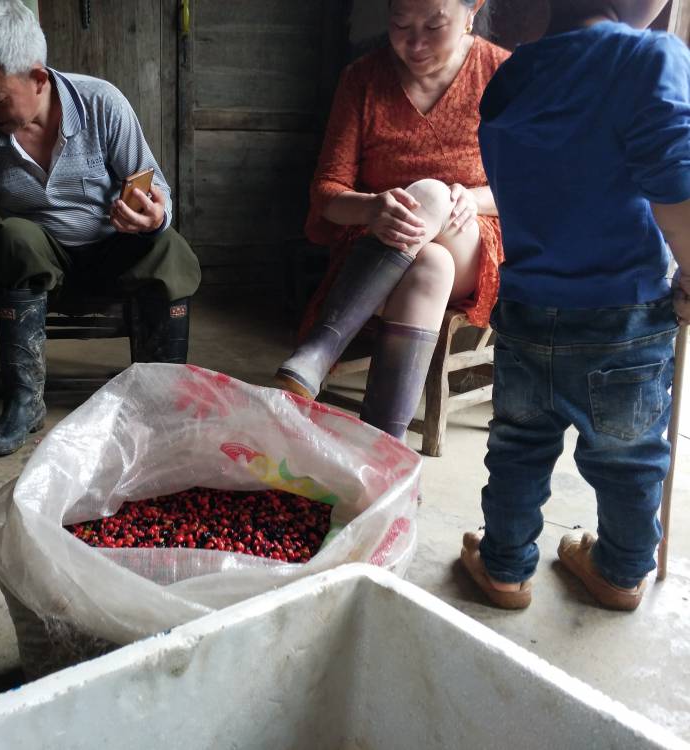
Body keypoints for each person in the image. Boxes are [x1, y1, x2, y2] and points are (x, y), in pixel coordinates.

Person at [460, 0, 690, 611]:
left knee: (518, 447)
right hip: (624, 319)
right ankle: (619, 572)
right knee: (630, 458)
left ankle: (505, 570)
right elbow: (676, 182)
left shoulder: (509, 77)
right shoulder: (650, 56)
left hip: (527, 312)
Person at [0, 0, 201, 457]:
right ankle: (24, 404)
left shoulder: (102, 103)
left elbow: (156, 187)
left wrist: (153, 215)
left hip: (114, 257)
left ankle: (158, 405)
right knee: (12, 237)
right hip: (42, 276)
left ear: (38, 78)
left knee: (171, 248)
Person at [274, 0, 507, 441]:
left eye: (434, 26)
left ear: (472, 11)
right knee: (429, 266)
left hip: (472, 240)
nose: (414, 43)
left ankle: (321, 349)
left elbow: (532, 185)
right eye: (400, 25)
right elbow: (327, 190)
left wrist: (471, 198)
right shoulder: (363, 78)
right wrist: (371, 209)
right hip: (376, 247)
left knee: (433, 194)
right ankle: (384, 450)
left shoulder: (501, 73)